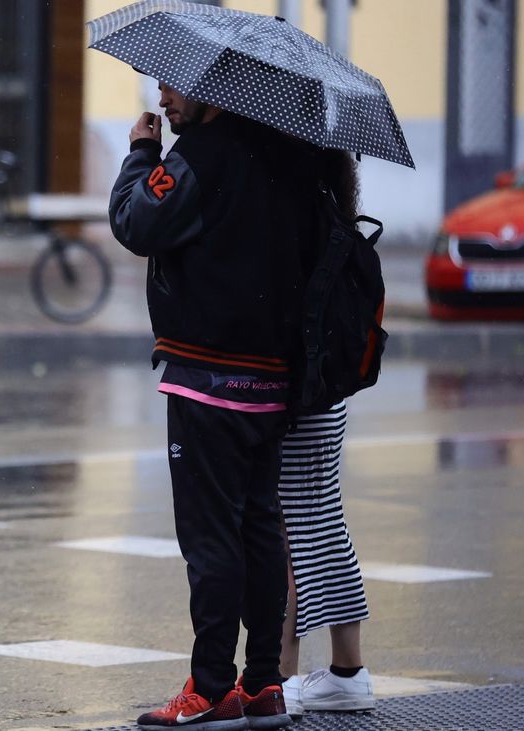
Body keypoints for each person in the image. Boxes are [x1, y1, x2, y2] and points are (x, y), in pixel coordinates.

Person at [109, 82, 326, 730]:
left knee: (211, 539)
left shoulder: (203, 154)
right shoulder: (290, 156)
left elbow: (135, 223)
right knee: (259, 530)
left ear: (213, 90)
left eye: (173, 86)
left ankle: (209, 687)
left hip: (208, 379)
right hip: (271, 382)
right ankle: (264, 683)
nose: (163, 99)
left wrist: (142, 154)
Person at [276, 153, 375, 715]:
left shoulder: (294, 218)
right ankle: (347, 672)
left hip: (295, 386)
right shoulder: (336, 212)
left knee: (285, 529)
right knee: (322, 518)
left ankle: (282, 678)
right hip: (328, 389)